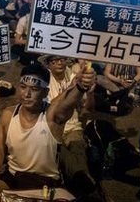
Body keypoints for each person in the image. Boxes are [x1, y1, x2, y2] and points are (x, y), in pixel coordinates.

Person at [0, 63, 96, 202]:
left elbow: (66, 105)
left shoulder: (52, 116)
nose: (27, 94)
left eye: (35, 89)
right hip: (14, 178)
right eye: (23, 87)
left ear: (45, 92)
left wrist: (81, 87)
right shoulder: (8, 115)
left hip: (45, 183)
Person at [42, 55, 95, 196]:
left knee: (78, 151)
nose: (59, 62)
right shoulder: (44, 79)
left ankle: (81, 182)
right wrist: (71, 89)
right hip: (52, 128)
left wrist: (90, 93)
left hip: (73, 126)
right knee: (63, 154)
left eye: (62, 59)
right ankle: (86, 183)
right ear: (48, 64)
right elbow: (49, 108)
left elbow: (88, 108)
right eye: (55, 60)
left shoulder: (73, 75)